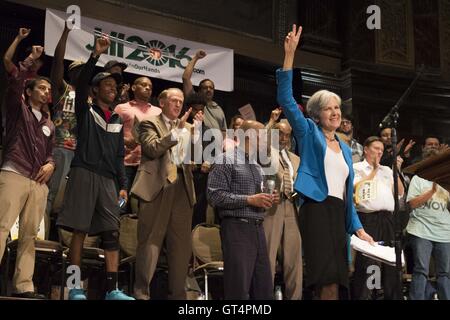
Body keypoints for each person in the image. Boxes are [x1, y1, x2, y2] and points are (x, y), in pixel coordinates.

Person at [277, 24, 373, 300]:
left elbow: (347, 194)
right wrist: (289, 55)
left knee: (340, 279)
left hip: (338, 211)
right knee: (326, 278)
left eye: (337, 108)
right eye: (329, 108)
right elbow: (285, 98)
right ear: (317, 114)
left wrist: (360, 229)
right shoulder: (308, 132)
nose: (335, 112)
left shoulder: (345, 149)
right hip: (316, 209)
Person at [56, 36, 134, 300]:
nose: (113, 88)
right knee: (80, 230)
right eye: (107, 84)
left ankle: (112, 290)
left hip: (109, 181)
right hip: (84, 173)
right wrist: (95, 56)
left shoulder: (117, 120)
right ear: (95, 90)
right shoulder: (85, 110)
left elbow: (120, 155)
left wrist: (123, 186)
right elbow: (80, 82)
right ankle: (74, 287)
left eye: (115, 85)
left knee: (112, 232)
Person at [0, 33, 54, 299]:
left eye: (48, 89)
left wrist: (52, 164)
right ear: (29, 91)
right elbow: (15, 79)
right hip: (14, 172)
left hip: (38, 181)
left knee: (30, 235)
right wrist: (30, 58)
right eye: (41, 88)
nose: (46, 92)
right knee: (1, 226)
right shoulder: (16, 106)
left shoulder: (48, 122)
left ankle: (24, 285)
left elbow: (50, 152)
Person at [131, 88, 199, 300]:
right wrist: (176, 133)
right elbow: (152, 149)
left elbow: (191, 162)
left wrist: (196, 138)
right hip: (156, 186)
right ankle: (142, 293)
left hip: (182, 188)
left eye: (180, 101)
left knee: (181, 248)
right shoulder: (149, 123)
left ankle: (178, 296)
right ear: (162, 103)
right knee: (150, 242)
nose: (178, 105)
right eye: (173, 101)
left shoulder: (188, 127)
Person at [207, 120, 278, 300]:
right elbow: (214, 196)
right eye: (263, 135)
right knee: (238, 289)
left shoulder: (257, 165)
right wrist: (249, 199)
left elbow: (256, 198)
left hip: (257, 229)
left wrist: (268, 198)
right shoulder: (225, 159)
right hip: (237, 229)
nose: (266, 140)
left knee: (263, 289)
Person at [351, 136, 405, 300]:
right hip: (368, 219)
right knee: (368, 262)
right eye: (376, 148)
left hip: (388, 219)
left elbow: (400, 193)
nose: (379, 152)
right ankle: (365, 297)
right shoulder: (357, 167)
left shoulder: (387, 171)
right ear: (366, 150)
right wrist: (374, 169)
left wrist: (396, 171)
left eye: (381, 150)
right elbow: (358, 190)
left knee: (391, 262)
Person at [45, 23, 84, 239]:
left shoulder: (89, 98)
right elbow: (57, 63)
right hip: (60, 148)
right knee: (50, 195)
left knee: (70, 202)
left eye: (83, 71)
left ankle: (62, 244)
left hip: (80, 156)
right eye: (76, 70)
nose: (80, 73)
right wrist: (66, 33)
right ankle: (41, 237)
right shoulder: (63, 90)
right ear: (70, 73)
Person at [263, 121, 303, 300]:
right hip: (272, 205)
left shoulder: (295, 158)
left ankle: (295, 297)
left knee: (294, 260)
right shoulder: (264, 152)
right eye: (280, 133)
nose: (284, 138)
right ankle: (263, 299)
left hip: (292, 206)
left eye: (287, 135)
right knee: (268, 257)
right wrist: (271, 123)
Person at [406, 146, 450, 300]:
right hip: (421, 230)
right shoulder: (418, 179)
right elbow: (412, 203)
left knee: (445, 272)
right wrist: (432, 191)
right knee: (421, 269)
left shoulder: (447, 181)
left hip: (445, 233)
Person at [115, 76, 162, 211]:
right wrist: (124, 140)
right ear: (134, 88)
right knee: (121, 202)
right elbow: (110, 133)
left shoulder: (158, 112)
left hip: (148, 165)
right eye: (143, 85)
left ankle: (137, 231)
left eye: (150, 87)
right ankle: (116, 228)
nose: (148, 88)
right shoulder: (121, 108)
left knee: (143, 206)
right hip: (125, 163)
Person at [182, 49, 227, 132]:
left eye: (211, 88)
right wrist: (196, 57)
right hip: (197, 141)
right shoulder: (194, 101)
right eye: (205, 88)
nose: (208, 90)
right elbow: (186, 78)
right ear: (199, 90)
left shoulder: (218, 108)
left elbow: (223, 130)